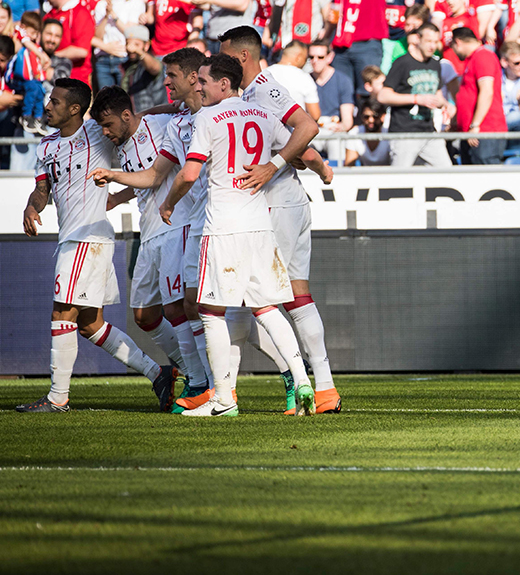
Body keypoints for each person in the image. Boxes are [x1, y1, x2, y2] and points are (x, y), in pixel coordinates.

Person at [158, 54, 315, 417]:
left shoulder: (207, 117)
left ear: (223, 84)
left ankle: (223, 398)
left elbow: (188, 174)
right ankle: (302, 380)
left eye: (205, 81)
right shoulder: (261, 113)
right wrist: (272, 166)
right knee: (268, 308)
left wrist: (168, 205)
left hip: (223, 226)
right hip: (260, 225)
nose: (199, 87)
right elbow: (299, 151)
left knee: (209, 311)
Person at [16, 79, 174, 413]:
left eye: (55, 102)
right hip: (72, 238)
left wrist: (178, 107)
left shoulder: (97, 133)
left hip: (88, 239)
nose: (48, 106)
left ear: (75, 108)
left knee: (62, 313)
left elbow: (136, 130)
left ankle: (58, 398)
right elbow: (42, 190)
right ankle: (159, 373)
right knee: (89, 323)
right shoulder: (45, 147)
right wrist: (33, 206)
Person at [215, 30, 338, 413]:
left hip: (277, 205)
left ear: (243, 57)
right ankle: (321, 388)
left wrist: (274, 165)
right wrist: (316, 166)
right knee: (286, 296)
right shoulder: (247, 97)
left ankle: (288, 384)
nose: (220, 65)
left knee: (257, 298)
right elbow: (303, 148)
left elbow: (307, 128)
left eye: (225, 58)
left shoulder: (264, 89)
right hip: (285, 202)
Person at [87, 46, 217, 410]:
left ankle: (199, 378)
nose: (107, 134)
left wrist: (115, 178)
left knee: (179, 309)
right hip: (149, 232)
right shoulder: (122, 142)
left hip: (175, 225)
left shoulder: (162, 125)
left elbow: (156, 173)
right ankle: (188, 368)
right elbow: (144, 179)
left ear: (128, 115)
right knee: (145, 315)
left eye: (109, 125)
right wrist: (119, 196)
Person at [378, 23, 451, 166]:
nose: (432, 46)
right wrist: (417, 99)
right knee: (400, 178)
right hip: (404, 132)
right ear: (418, 39)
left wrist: (446, 105)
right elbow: (383, 95)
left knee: (446, 171)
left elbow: (437, 93)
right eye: (429, 41)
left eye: (436, 42)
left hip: (428, 131)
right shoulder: (402, 62)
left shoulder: (435, 64)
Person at [451, 26, 506, 164]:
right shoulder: (474, 59)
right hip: (474, 133)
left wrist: (475, 125)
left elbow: (487, 92)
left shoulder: (483, 56)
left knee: (488, 180)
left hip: (484, 132)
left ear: (458, 42)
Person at [93, 0, 146, 89]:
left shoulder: (135, 2)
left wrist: (113, 15)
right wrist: (106, 16)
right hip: (103, 60)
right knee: (106, 103)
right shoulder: (102, 4)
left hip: (124, 58)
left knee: (125, 101)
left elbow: (130, 32)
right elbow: (97, 36)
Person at [40, 0, 94, 85]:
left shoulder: (80, 13)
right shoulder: (49, 15)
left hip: (75, 82)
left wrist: (52, 57)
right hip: (50, 81)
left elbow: (81, 50)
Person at [121, 25, 166, 111]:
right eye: (128, 43)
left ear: (146, 45)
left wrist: (139, 52)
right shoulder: (126, 66)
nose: (131, 48)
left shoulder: (151, 61)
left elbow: (155, 68)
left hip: (154, 117)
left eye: (136, 44)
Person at [345, 100, 391, 166]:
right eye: (366, 117)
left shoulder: (390, 133)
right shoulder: (354, 133)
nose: (371, 120)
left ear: (383, 117)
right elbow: (349, 165)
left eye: (375, 116)